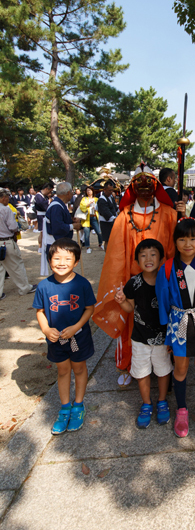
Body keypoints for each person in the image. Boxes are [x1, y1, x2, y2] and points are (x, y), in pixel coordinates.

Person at [93, 163, 177, 377]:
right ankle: (129, 364)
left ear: (156, 186)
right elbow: (117, 255)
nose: (144, 188)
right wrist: (121, 285)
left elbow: (174, 249)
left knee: (163, 320)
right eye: (139, 183)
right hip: (134, 281)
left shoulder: (168, 213)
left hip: (162, 280)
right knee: (132, 323)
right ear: (132, 188)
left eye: (149, 183)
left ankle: (165, 365)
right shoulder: (124, 216)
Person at [156, 218, 195, 443]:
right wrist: (166, 328)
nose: (188, 244)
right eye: (182, 239)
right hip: (178, 320)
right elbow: (163, 297)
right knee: (180, 368)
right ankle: (182, 411)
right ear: (175, 241)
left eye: (193, 238)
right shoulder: (168, 267)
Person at [33, 239, 96, 435]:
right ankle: (65, 407)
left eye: (67, 259)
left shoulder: (82, 283)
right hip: (56, 339)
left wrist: (77, 326)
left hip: (79, 337)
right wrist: (45, 329)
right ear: (49, 260)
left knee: (79, 368)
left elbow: (89, 308)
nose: (61, 263)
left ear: (76, 261)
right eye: (56, 258)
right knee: (62, 371)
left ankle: (78, 405)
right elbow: (40, 311)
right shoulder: (44, 286)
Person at [114, 239, 172, 429]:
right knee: (141, 372)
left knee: (163, 370)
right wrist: (122, 301)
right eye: (143, 255)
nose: (148, 259)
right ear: (137, 260)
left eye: (153, 254)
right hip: (139, 337)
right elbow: (130, 308)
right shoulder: (134, 283)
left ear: (162, 259)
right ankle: (146, 403)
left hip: (163, 337)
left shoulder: (168, 280)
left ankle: (162, 401)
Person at [0, 188, 37, 300]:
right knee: (16, 265)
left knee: (0, 268)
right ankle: (25, 287)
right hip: (6, 241)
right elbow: (13, 227)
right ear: (4, 197)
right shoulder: (6, 209)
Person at [41, 182, 81, 275]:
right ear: (67, 193)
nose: (72, 194)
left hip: (59, 242)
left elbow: (59, 221)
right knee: (60, 272)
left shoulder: (59, 204)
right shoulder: (56, 206)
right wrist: (73, 226)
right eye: (71, 192)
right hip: (55, 243)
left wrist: (71, 220)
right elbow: (58, 227)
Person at [79, 186, 103, 254]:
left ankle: (100, 244)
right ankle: (88, 247)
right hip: (86, 217)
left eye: (90, 190)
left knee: (99, 232)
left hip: (94, 216)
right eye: (87, 190)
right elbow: (82, 207)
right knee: (86, 233)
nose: (89, 192)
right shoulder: (84, 199)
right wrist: (88, 204)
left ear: (93, 191)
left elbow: (100, 207)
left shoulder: (96, 199)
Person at [97, 180, 119, 248]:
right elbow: (105, 211)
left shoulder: (111, 197)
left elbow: (114, 207)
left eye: (112, 190)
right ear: (104, 190)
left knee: (113, 239)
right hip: (105, 222)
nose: (111, 192)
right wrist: (113, 218)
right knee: (107, 240)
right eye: (109, 190)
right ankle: (107, 256)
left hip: (112, 221)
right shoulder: (101, 199)